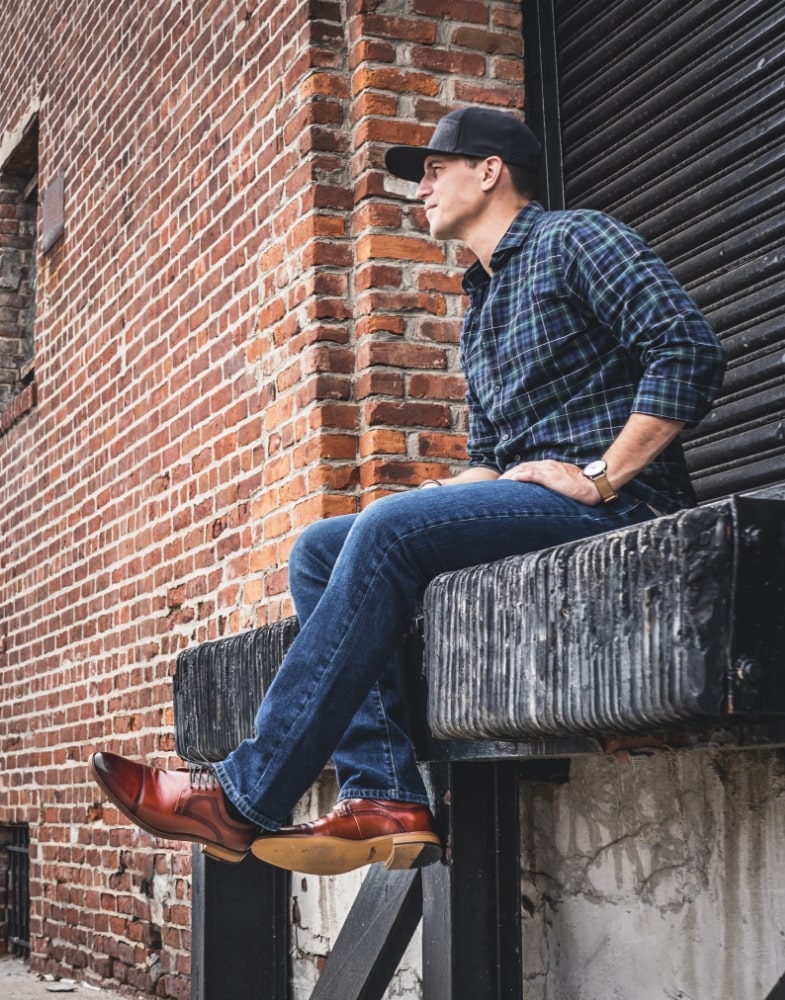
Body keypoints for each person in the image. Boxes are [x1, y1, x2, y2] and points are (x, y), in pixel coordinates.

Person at [90, 107, 726, 876]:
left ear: (489, 170)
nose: (418, 187)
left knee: (387, 529)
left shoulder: (575, 238)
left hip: (622, 507)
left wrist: (601, 474)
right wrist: (436, 498)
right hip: (540, 505)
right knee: (322, 547)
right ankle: (384, 795)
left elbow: (686, 349)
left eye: (433, 168)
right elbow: (492, 455)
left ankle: (242, 797)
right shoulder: (483, 302)